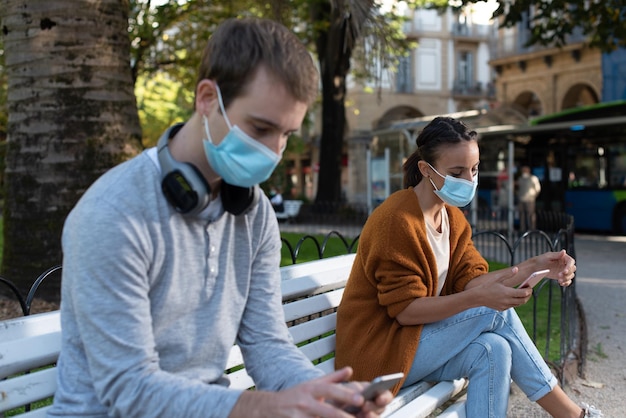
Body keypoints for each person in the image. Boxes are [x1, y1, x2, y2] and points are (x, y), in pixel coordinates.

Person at [48, 18, 392, 418]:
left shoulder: (255, 211)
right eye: (261, 128)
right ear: (207, 99)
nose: (274, 151)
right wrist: (263, 407)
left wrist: (325, 397)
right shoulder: (112, 214)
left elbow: (267, 344)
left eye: (286, 135)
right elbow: (128, 389)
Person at [335, 117, 603, 418]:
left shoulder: (452, 219)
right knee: (492, 310)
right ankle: (573, 415)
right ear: (426, 170)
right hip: (380, 355)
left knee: (494, 350)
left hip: (413, 344)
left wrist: (533, 266)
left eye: (474, 170)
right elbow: (406, 310)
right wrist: (481, 300)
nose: (468, 180)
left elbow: (472, 281)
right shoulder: (395, 220)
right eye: (457, 172)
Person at [517, 164, 542, 231]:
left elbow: (538, 189)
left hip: (530, 200)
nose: (524, 171)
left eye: (525, 170)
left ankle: (532, 229)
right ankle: (522, 229)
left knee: (531, 215)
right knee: (522, 215)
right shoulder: (520, 179)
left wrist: (533, 196)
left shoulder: (533, 178)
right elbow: (517, 188)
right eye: (523, 170)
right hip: (521, 199)